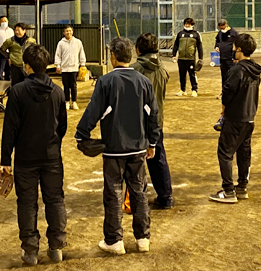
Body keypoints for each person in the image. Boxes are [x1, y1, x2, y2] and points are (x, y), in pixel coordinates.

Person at [75, 37, 160, 255]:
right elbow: (154, 115)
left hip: (114, 148)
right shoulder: (143, 81)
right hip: (139, 148)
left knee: (113, 193)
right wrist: (152, 142)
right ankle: (143, 239)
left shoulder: (106, 81)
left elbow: (93, 111)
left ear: (112, 57)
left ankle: (114, 240)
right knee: (139, 192)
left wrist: (81, 134)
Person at [0, 44, 67, 266]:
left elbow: (9, 128)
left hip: (25, 158)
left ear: (27, 66)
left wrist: (5, 160)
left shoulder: (17, 92)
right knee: (55, 200)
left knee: (27, 203)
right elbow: (62, 126)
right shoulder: (57, 92)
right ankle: (56, 247)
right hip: (51, 156)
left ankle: (30, 251)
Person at [209, 34, 261, 203]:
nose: (232, 50)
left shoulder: (237, 69)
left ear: (239, 50)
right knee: (244, 153)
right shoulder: (255, 70)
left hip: (235, 118)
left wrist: (223, 112)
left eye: (234, 47)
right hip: (249, 117)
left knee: (224, 153)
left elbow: (228, 93)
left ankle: (228, 190)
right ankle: (242, 187)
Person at [131, 33, 173, 209]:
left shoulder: (134, 69)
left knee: (134, 162)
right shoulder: (162, 68)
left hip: (136, 123)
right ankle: (165, 197)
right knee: (158, 158)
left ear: (138, 49)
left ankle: (135, 199)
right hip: (157, 121)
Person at [54, 25, 86, 111]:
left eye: (70, 31)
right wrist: (58, 65)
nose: (68, 32)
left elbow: (81, 53)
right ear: (64, 33)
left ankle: (74, 102)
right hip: (64, 68)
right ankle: (67, 101)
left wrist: (82, 64)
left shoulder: (78, 42)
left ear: (72, 31)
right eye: (66, 31)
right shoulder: (61, 43)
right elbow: (58, 55)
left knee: (74, 85)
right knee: (66, 86)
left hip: (74, 67)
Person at [172, 18, 203, 97]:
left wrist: (200, 57)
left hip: (191, 59)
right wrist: (174, 55)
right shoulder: (180, 34)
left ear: (192, 25)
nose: (187, 25)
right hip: (181, 58)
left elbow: (199, 47)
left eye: (188, 24)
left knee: (192, 74)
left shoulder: (196, 34)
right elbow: (176, 45)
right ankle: (182, 90)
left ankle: (194, 90)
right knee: (182, 75)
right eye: (186, 23)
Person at [214, 19, 239, 99]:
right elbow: (217, 41)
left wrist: (235, 57)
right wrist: (217, 46)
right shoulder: (220, 33)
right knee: (224, 76)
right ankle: (224, 93)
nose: (222, 30)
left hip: (231, 59)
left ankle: (234, 93)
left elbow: (237, 45)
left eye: (223, 28)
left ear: (226, 25)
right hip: (222, 58)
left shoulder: (234, 33)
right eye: (220, 28)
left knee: (232, 76)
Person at [0, 15, 14, 81]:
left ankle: (8, 87)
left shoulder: (11, 30)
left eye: (5, 21)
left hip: (10, 53)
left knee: (8, 72)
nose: (4, 22)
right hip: (1, 53)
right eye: (2, 21)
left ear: (8, 21)